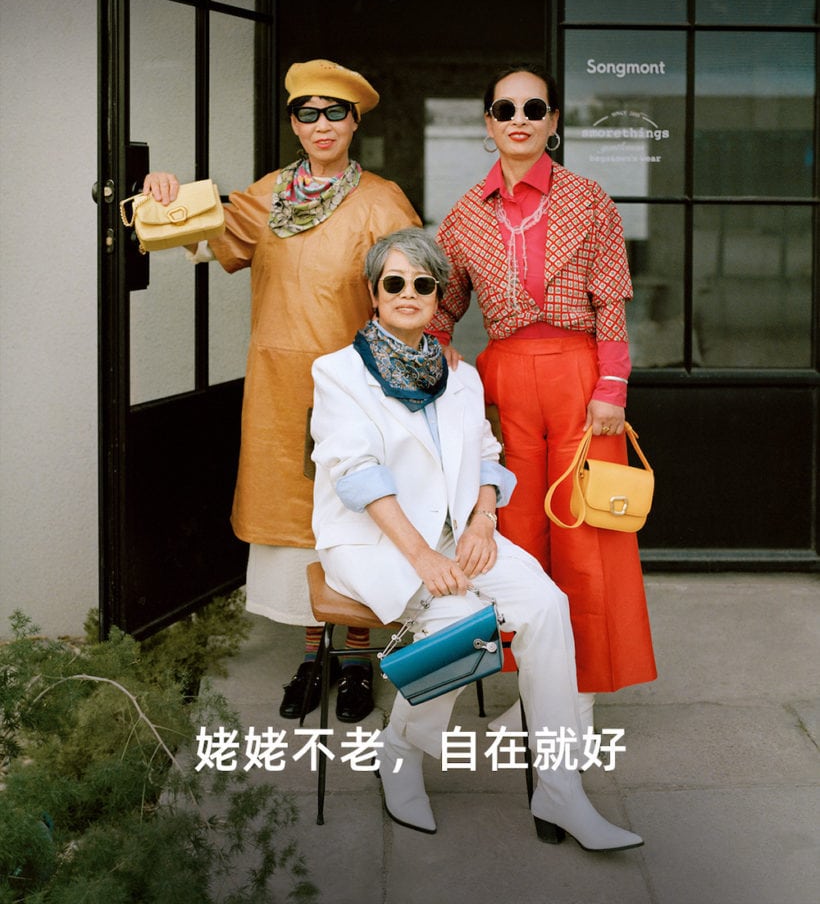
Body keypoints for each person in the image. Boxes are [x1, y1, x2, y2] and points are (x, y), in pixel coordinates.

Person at [309, 228, 643, 850]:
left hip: (460, 535)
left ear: (440, 297)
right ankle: (399, 749)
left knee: (548, 606)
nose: (409, 294)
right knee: (463, 623)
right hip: (377, 541)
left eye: (423, 284)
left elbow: (488, 454)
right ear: (374, 294)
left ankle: (561, 788)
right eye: (394, 283)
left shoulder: (459, 376)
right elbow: (357, 475)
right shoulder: (338, 373)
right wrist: (421, 556)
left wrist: (484, 518)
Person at [143, 59, 421, 723]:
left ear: (354, 122)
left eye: (335, 112)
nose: (322, 124)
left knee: (357, 514)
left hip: (358, 387)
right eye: (307, 113)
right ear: (294, 124)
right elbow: (202, 234)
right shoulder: (267, 195)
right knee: (295, 523)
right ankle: (312, 653)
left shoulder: (382, 200)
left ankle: (356, 657)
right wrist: (161, 193)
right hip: (278, 389)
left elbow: (416, 290)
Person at [428, 64, 656, 733]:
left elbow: (611, 307)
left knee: (586, 536)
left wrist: (612, 386)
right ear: (489, 123)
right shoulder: (465, 214)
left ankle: (576, 700)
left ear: (553, 121)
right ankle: (535, 695)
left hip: (581, 381)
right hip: (506, 385)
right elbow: (442, 304)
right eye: (505, 109)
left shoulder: (589, 199)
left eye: (535, 108)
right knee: (515, 536)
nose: (520, 119)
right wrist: (437, 349)